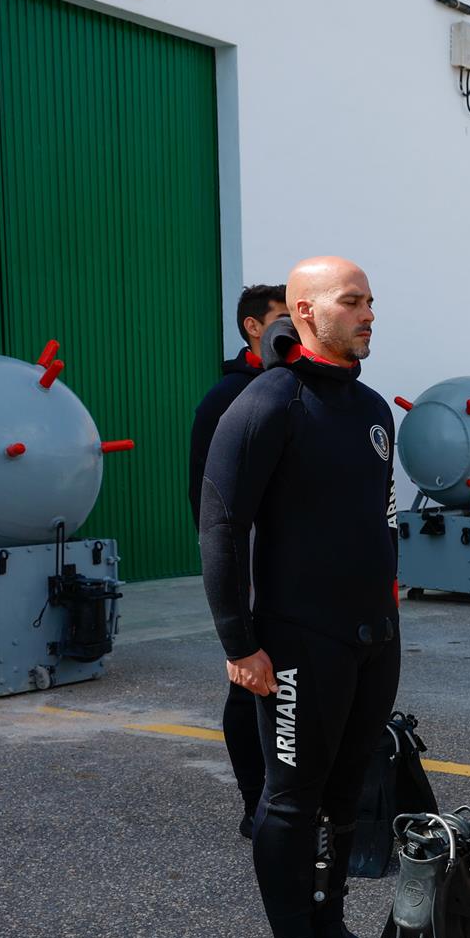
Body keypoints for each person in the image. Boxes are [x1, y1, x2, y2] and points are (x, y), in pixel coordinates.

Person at [200, 256, 400, 938]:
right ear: (306, 312)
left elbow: (379, 519)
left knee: (348, 791)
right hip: (295, 639)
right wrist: (238, 644)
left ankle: (331, 924)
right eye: (353, 301)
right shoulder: (266, 404)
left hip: (371, 635)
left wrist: (390, 607)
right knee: (291, 799)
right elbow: (221, 529)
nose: (370, 313)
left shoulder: (374, 408)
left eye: (372, 300)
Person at [187, 283, 287, 838]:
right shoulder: (228, 397)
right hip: (251, 565)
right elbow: (209, 506)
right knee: (248, 681)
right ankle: (257, 803)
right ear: (254, 327)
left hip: (296, 570)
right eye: (281, 318)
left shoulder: (295, 389)